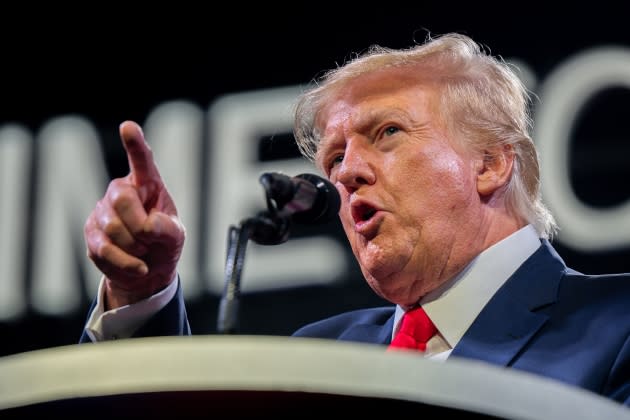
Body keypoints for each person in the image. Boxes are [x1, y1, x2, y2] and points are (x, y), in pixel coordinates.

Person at [81, 32, 630, 406]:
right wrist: (140, 292)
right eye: (334, 159)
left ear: (490, 162)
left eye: (387, 133)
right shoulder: (315, 360)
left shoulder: (617, 324)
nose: (346, 175)